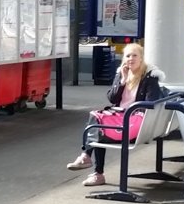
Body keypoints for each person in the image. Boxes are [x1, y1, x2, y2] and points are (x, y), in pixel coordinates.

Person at [67, 43, 165, 185]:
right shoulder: (122, 73)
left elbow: (152, 103)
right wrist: (123, 81)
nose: (130, 59)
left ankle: (93, 167)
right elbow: (112, 98)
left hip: (135, 121)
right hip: (120, 117)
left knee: (98, 131)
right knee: (95, 117)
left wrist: (132, 111)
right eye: (127, 56)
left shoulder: (150, 78)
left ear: (141, 58)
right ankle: (88, 159)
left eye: (134, 55)